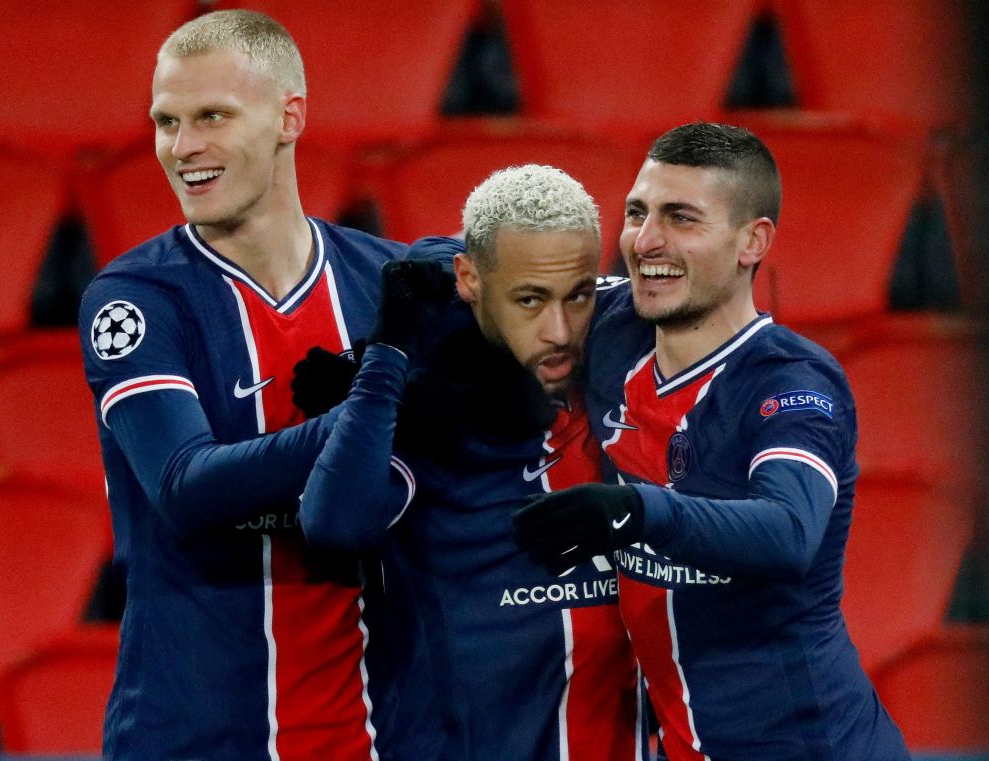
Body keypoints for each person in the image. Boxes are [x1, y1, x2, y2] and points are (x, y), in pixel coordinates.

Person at [77, 10, 451, 761]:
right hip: (189, 743)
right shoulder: (136, 299)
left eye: (212, 115)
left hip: (373, 739)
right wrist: (375, 407)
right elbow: (185, 487)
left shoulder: (385, 284)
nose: (183, 148)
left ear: (290, 117)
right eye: (166, 122)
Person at [513, 123, 911, 761]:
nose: (645, 242)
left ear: (752, 241)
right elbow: (496, 279)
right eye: (637, 212)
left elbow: (788, 532)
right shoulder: (617, 329)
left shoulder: (792, 384)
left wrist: (636, 511)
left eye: (681, 218)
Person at [294, 165, 647, 761]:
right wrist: (384, 361)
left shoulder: (634, 378)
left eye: (578, 296)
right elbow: (333, 524)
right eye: (529, 299)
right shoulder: (427, 413)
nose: (559, 330)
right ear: (470, 280)